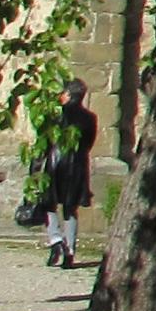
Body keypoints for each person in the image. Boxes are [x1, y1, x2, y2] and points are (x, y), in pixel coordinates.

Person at [38, 79, 98, 269]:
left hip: (55, 163)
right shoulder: (89, 117)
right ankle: (69, 251)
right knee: (70, 208)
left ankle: (56, 240)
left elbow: (44, 142)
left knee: (49, 203)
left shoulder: (55, 116)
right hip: (77, 164)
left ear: (68, 95)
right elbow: (88, 143)